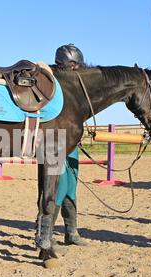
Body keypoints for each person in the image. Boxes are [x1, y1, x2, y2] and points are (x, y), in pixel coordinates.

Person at [52, 44, 88, 248]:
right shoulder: (54, 85)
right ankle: (45, 232)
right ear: (69, 65)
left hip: (71, 141)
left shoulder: (76, 88)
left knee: (71, 186)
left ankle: (71, 232)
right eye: (76, 66)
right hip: (55, 142)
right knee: (60, 186)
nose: (79, 70)